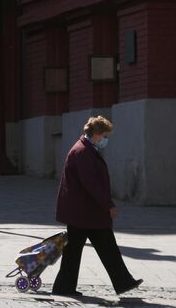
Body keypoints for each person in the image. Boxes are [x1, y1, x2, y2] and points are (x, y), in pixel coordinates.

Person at [52, 116, 142, 296]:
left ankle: (65, 287)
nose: (105, 140)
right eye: (105, 136)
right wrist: (108, 204)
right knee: (97, 248)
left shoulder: (85, 149)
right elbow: (91, 183)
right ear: (97, 134)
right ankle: (121, 282)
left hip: (84, 212)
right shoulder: (83, 152)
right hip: (85, 212)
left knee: (84, 249)